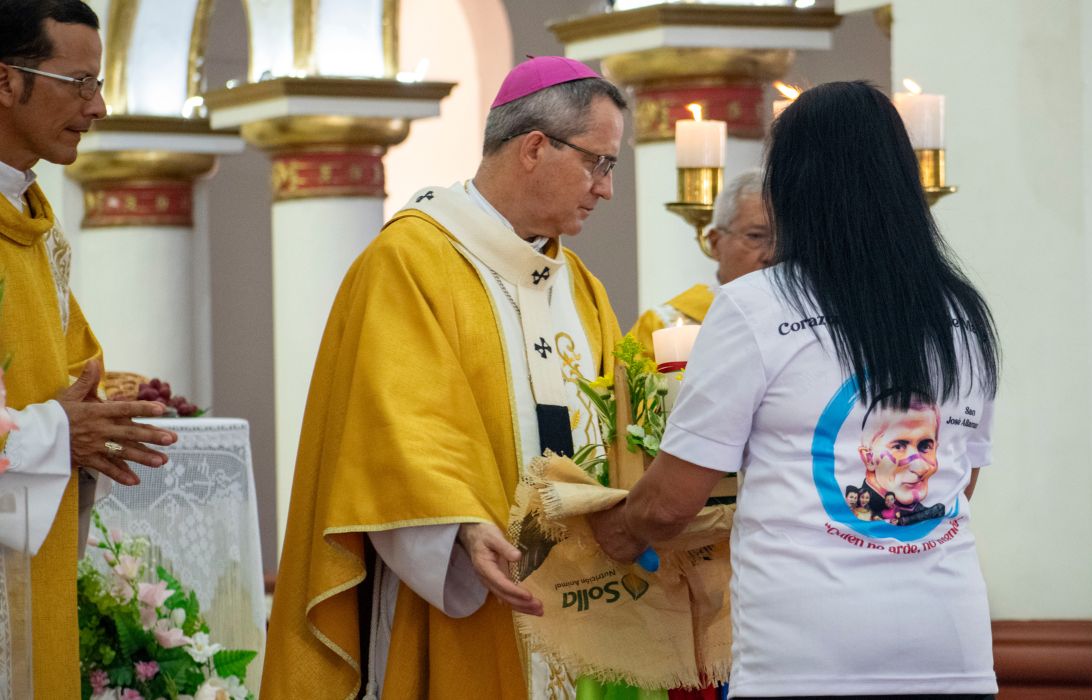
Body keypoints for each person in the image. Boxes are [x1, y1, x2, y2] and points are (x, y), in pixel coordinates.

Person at [589, 81, 1000, 699]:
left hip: (809, 653)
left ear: (791, 188)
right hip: (951, 647)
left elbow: (671, 504)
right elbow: (959, 480)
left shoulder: (756, 305)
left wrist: (611, 532)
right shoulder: (963, 312)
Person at [261, 56, 626, 700]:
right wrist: (459, 526)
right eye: (598, 163)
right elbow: (391, 425)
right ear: (534, 148)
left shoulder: (581, 288)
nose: (606, 189)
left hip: (580, 604)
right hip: (459, 589)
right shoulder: (411, 260)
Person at [0, 1, 176, 696]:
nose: (97, 106)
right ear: (5, 81)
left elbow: (75, 376)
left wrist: (95, 420)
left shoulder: (40, 232)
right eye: (78, 83)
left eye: (97, 84)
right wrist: (57, 434)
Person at [629, 169, 771, 358]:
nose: (773, 254)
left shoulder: (806, 322)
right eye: (756, 236)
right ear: (715, 243)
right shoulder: (665, 326)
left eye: (787, 241)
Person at [856, 396, 946, 526]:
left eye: (925, 446)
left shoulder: (931, 513)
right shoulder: (857, 513)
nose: (919, 468)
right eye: (898, 447)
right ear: (869, 459)